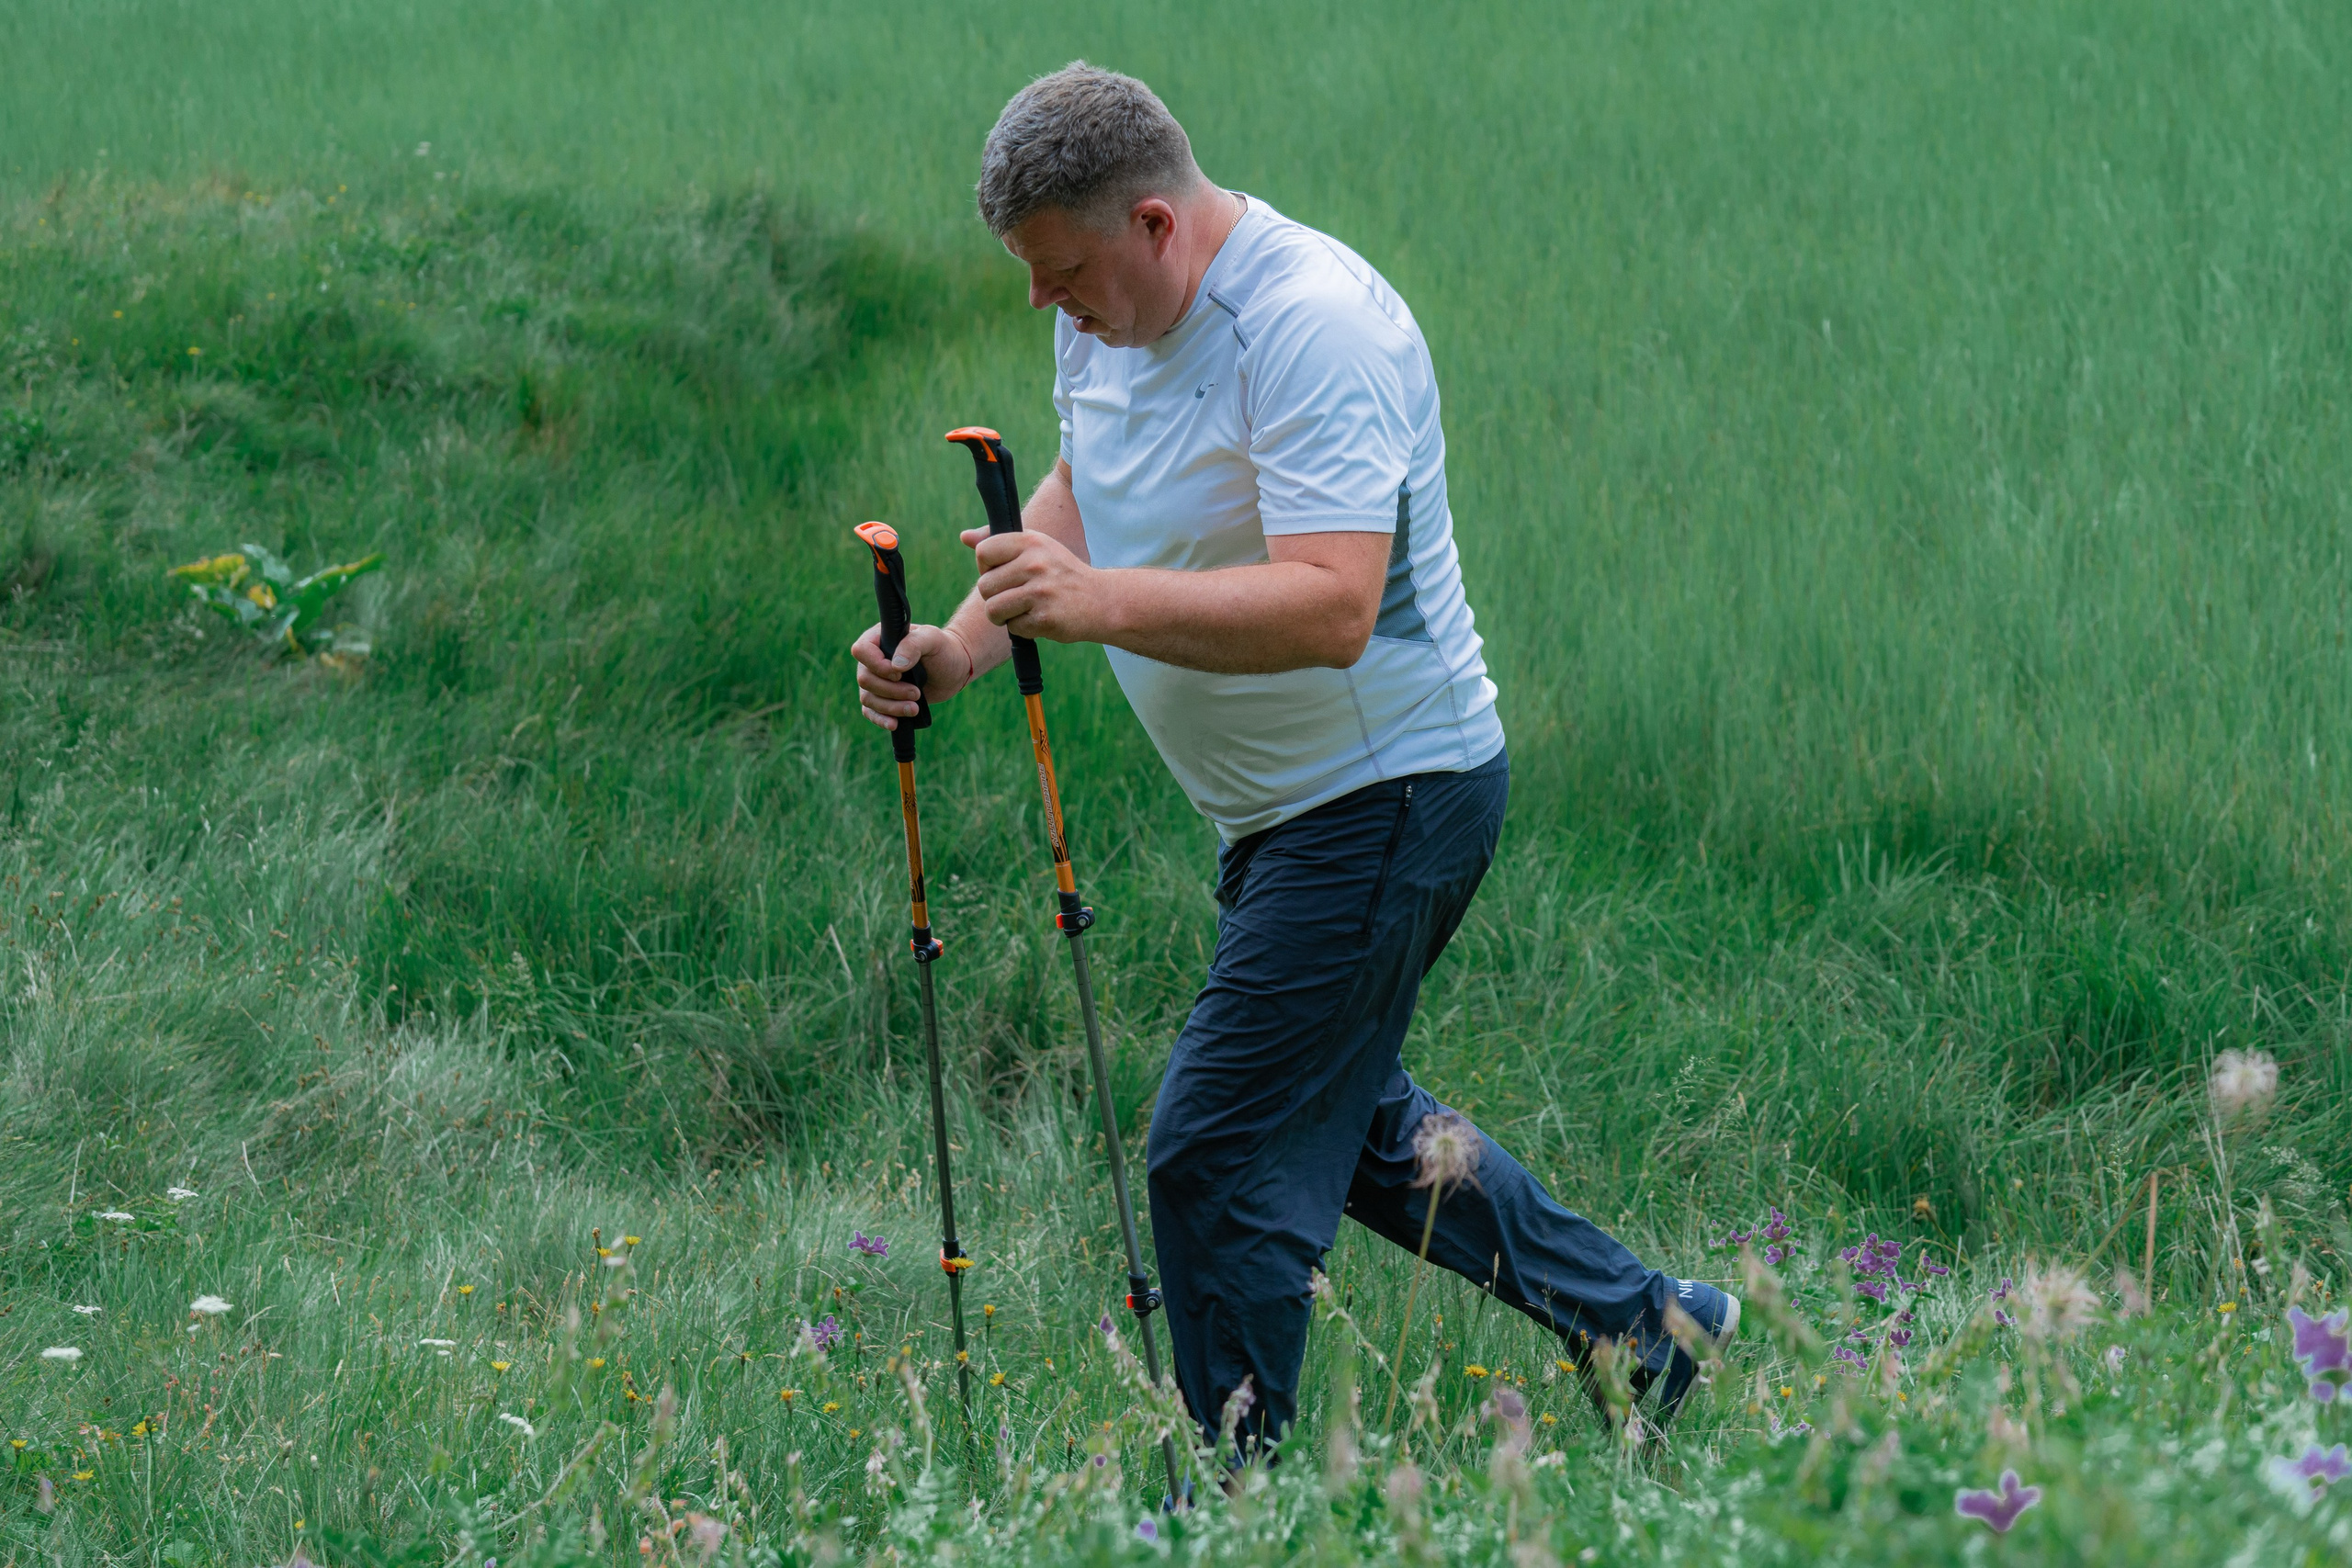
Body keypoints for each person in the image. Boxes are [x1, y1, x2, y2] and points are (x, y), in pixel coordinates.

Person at [852, 62, 1736, 1454]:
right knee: (1357, 1125)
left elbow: (1333, 605)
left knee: (1218, 1146)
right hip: (1278, 813)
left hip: (1390, 791)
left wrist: (1099, 606)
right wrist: (956, 648)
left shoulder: (1312, 325)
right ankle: (1650, 1331)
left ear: (1154, 223)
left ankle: (1234, 1493)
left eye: (1061, 271)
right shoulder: (1106, 316)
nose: (1041, 303)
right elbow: (1083, 485)